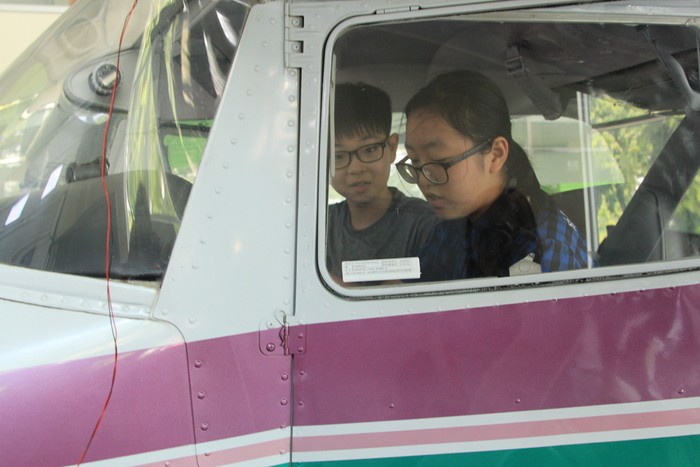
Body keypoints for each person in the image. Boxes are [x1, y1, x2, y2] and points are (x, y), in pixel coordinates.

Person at [397, 70, 589, 281]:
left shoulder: (543, 249)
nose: (423, 180)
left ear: (496, 154)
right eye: (415, 161)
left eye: (437, 160)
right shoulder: (456, 224)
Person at [327, 82, 439, 283]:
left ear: (392, 147)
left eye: (369, 150)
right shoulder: (323, 225)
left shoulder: (425, 224)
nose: (356, 168)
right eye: (338, 156)